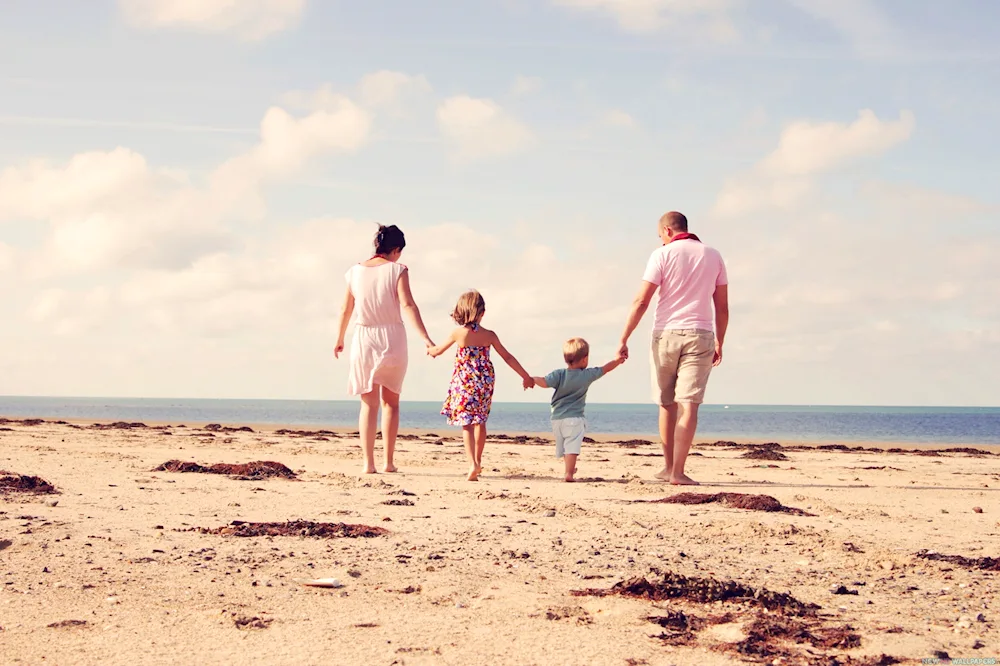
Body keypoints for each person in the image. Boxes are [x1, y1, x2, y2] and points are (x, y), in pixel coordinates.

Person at [617, 211, 729, 486]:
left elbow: (642, 301)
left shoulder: (661, 255)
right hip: (701, 333)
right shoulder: (713, 255)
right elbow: (722, 307)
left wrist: (624, 337)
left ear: (667, 231)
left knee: (666, 404)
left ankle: (669, 468)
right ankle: (677, 472)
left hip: (665, 335)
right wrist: (720, 341)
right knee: (689, 404)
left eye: (660, 237)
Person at [335, 224, 434, 475]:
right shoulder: (398, 269)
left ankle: (368, 464)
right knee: (391, 403)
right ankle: (388, 462)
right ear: (396, 250)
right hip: (392, 336)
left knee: (368, 404)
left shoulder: (354, 272)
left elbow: (346, 309)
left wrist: (340, 337)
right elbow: (408, 305)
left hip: (363, 336)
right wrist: (426, 338)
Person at [428, 290, 533, 481]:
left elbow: (438, 350)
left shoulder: (458, 333)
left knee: (466, 424)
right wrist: (525, 376)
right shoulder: (489, 335)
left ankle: (472, 464)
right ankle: (478, 460)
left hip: (465, 382)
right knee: (480, 421)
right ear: (482, 312)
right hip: (484, 382)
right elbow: (507, 357)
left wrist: (430, 350)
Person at [528, 338, 624, 482]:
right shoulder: (586, 375)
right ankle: (569, 473)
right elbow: (605, 368)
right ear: (585, 360)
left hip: (556, 419)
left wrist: (531, 379)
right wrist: (618, 360)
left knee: (564, 446)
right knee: (572, 445)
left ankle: (570, 468)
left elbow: (543, 381)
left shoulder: (559, 374)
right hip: (574, 418)